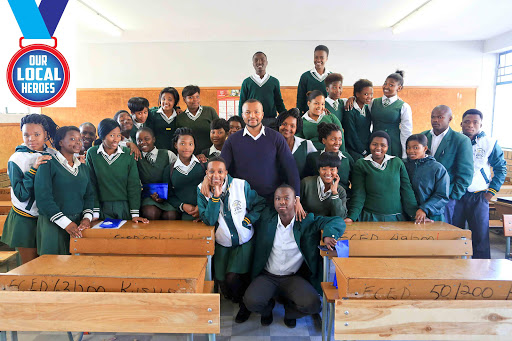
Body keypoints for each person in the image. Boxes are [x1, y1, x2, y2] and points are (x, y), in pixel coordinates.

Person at [243, 184, 345, 327]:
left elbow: (337, 221)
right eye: (278, 199)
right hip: (267, 276)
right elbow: (252, 201)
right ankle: (268, 310)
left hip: (293, 277)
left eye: (286, 198)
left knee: (313, 305)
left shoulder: (306, 221)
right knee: (250, 301)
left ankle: (290, 312)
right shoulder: (267, 218)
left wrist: (329, 235)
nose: (282, 202)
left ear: (295, 201)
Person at [197, 156, 266, 322]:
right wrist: (215, 197)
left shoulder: (240, 185)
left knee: (233, 277)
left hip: (243, 241)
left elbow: (260, 203)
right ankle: (235, 297)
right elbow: (209, 220)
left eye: (220, 171)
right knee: (221, 281)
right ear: (206, 173)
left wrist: (248, 220)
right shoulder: (201, 189)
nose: (216, 175)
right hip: (223, 243)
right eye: (212, 171)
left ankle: (245, 304)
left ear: (226, 172)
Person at [218, 99, 304, 219]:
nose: (252, 116)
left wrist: (297, 199)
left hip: (270, 200)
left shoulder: (276, 138)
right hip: (241, 200)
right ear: (242, 115)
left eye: (256, 112)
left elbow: (291, 169)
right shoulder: (232, 140)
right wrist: (207, 180)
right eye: (247, 112)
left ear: (262, 114)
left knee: (266, 236)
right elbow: (220, 168)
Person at [2, 114, 57, 264]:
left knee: (47, 264)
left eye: (37, 134)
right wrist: (34, 169)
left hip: (46, 217)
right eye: (26, 135)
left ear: (45, 134)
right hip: (24, 218)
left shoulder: (53, 154)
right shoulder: (17, 159)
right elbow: (21, 194)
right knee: (29, 266)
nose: (31, 139)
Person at [453, 109, 507, 259]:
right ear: (461, 123)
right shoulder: (454, 140)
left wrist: (491, 192)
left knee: (481, 235)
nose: (470, 125)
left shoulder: (489, 143)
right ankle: (453, 267)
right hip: (456, 194)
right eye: (467, 122)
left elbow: (501, 168)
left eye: (475, 122)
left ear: (481, 124)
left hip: (479, 196)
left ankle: (482, 273)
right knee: (454, 234)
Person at [35, 126, 94, 255]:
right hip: (53, 224)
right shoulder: (48, 164)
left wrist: (87, 218)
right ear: (60, 142)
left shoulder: (83, 167)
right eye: (72, 139)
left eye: (80, 139)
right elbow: (43, 199)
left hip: (78, 225)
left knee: (76, 268)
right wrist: (66, 223)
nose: (78, 142)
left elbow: (89, 195)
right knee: (53, 268)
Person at [346, 131, 417, 222]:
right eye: (374, 144)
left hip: (396, 218)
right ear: (369, 145)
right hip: (370, 218)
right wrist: (352, 216)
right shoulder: (361, 164)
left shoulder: (397, 162)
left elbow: (407, 190)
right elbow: (359, 193)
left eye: (383, 145)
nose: (378, 148)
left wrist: (415, 214)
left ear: (388, 147)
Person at [85, 119, 148, 223]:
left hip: (124, 207)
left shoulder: (128, 153)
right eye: (112, 135)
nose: (116, 139)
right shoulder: (92, 153)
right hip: (101, 207)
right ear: (102, 136)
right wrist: (95, 211)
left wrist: (135, 214)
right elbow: (91, 184)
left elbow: (133, 184)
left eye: (118, 135)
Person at [421, 105, 473, 224]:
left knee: (442, 234)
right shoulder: (422, 137)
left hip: (446, 197)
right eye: (433, 117)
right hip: (423, 196)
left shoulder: (461, 140)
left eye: (440, 117)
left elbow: (466, 173)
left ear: (450, 119)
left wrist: (452, 196)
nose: (435, 120)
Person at [345, 71, 412, 158]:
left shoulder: (403, 106)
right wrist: (352, 98)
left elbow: (406, 132)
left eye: (391, 85)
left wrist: (405, 155)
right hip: (374, 144)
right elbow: (360, 101)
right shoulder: (373, 102)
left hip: (393, 145)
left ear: (399, 88)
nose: (386, 87)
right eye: (385, 83)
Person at [404, 134, 450, 222]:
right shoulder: (403, 165)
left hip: (432, 217)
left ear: (425, 148)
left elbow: (442, 196)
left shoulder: (437, 168)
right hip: (408, 217)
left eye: (416, 147)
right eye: (408, 147)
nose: (410, 151)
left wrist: (424, 209)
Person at [163, 128, 206, 221]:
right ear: (175, 145)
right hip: (185, 214)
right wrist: (182, 206)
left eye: (190, 144)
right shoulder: (169, 170)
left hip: (205, 211)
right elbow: (169, 195)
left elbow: (212, 189)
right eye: (182, 143)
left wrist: (201, 205)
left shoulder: (204, 165)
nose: (187, 147)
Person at [136, 127, 178, 221]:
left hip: (168, 195)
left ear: (154, 139)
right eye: (139, 140)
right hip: (147, 196)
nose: (143, 142)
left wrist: (167, 193)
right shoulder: (136, 157)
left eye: (147, 139)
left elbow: (178, 174)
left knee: (171, 215)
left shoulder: (168, 154)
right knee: (151, 212)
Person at [238, 51, 286, 129]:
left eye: (262, 60)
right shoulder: (247, 82)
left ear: (266, 62)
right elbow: (242, 104)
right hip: (252, 121)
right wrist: (241, 121)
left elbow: (279, 102)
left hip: (271, 121)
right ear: (253, 63)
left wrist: (285, 116)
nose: (259, 62)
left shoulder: (274, 81)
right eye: (256, 60)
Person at [305, 123, 353, 193]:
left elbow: (355, 183)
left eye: (340, 139)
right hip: (318, 199)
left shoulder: (347, 158)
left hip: (343, 199)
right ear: (324, 140)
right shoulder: (313, 158)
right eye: (333, 139)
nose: (337, 143)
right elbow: (307, 181)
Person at [300, 152, 347, 218]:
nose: (328, 173)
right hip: (309, 222)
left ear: (337, 171)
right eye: (324, 169)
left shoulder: (340, 191)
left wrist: (334, 193)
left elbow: (340, 217)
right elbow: (297, 205)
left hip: (328, 224)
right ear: (319, 170)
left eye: (332, 169)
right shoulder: (306, 183)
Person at [176, 85, 219, 154]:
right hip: (189, 155)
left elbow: (219, 130)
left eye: (197, 97)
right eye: (190, 97)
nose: (195, 100)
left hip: (210, 154)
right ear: (184, 99)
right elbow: (178, 139)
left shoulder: (210, 111)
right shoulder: (180, 118)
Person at [276, 108, 317, 179]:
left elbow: (316, 166)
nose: (287, 128)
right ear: (279, 124)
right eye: (284, 124)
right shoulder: (270, 143)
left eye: (292, 126)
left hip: (300, 187)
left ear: (297, 128)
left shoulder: (306, 144)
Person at [343, 79, 373, 161]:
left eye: (371, 94)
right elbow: (351, 133)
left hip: (367, 148)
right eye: (366, 94)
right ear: (357, 94)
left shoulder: (367, 108)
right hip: (354, 149)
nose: (369, 97)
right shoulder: (350, 110)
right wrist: (363, 152)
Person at [296, 45, 332, 113]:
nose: (318, 60)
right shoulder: (305, 76)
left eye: (321, 57)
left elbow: (335, 99)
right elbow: (300, 99)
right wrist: (300, 115)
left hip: (327, 116)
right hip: (309, 115)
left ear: (326, 58)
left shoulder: (331, 77)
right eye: (316, 57)